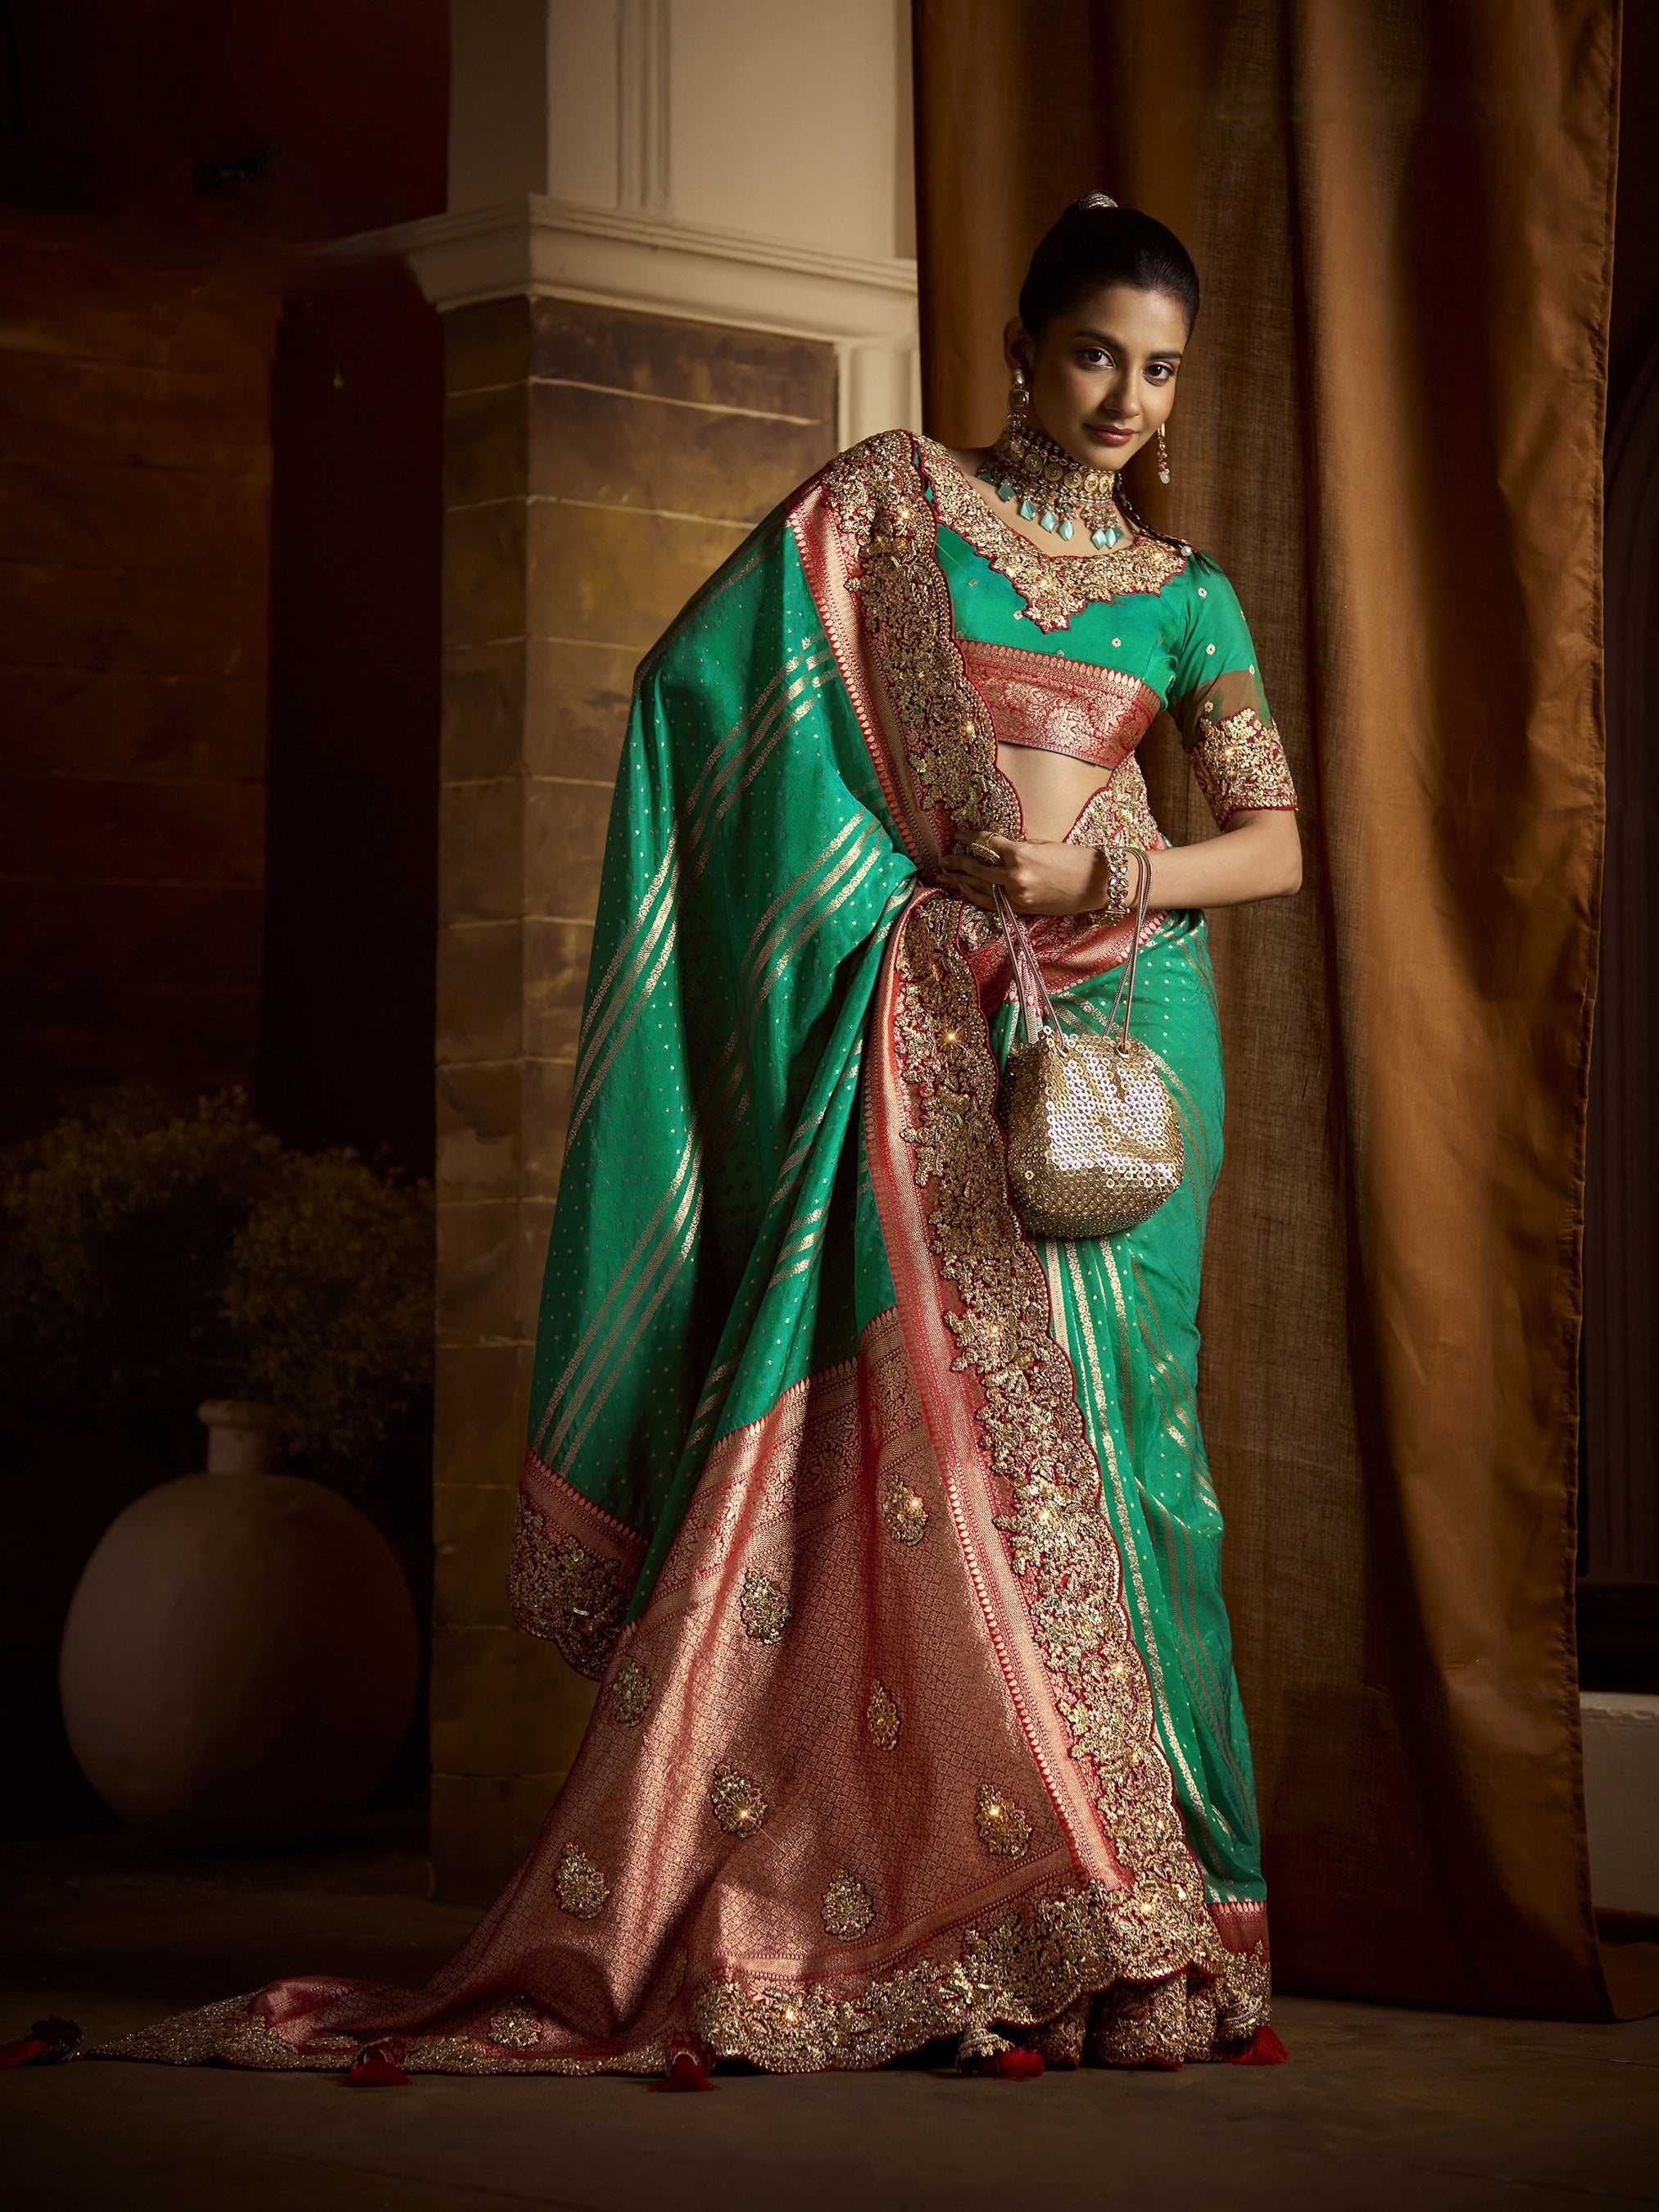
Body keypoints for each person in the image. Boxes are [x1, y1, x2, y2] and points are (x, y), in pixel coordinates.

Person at [102, 193, 1299, 2083]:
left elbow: (1273, 843)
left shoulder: (1190, 591)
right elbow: (692, 692)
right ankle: (994, 1916)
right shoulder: (885, 509)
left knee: (1137, 1476)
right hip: (919, 1019)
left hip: (1123, 1032)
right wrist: (889, 888)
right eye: (1091, 354)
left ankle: (1169, 1927)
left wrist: (1087, 864)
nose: (1121, 398)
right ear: (1017, 346)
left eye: (1157, 370)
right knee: (928, 1458)